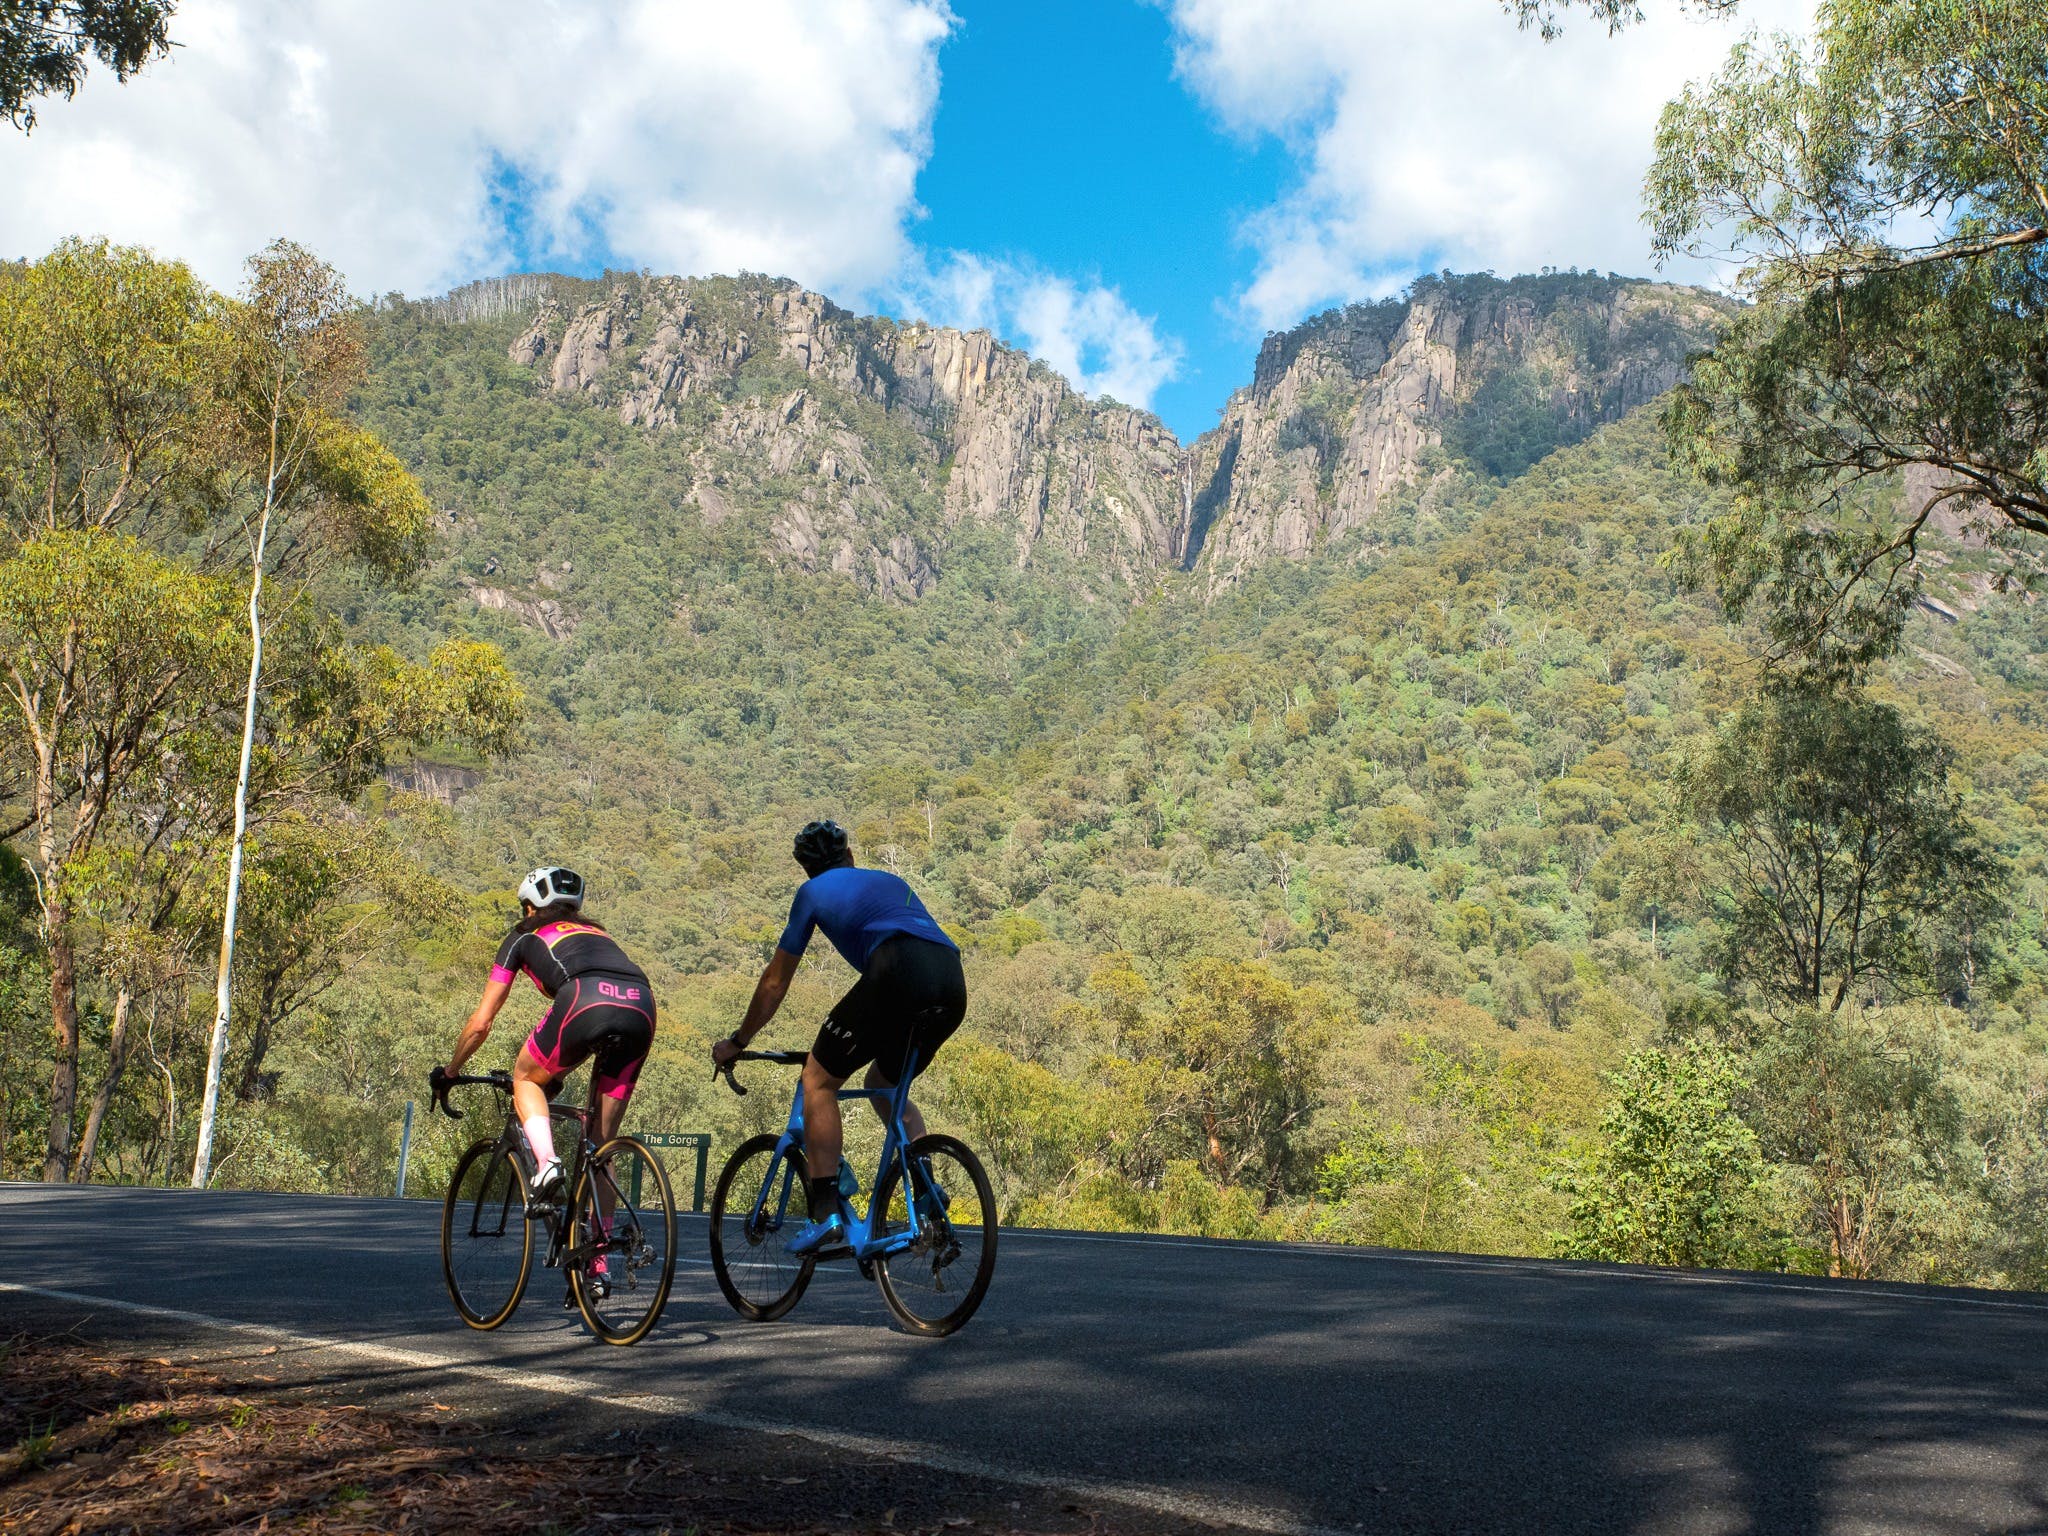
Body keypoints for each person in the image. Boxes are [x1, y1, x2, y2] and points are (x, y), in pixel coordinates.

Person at [712, 820, 966, 1254]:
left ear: (806, 870)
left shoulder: (811, 893)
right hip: (950, 979)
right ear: (849, 857)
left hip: (895, 971)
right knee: (883, 1086)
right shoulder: (890, 879)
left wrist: (739, 1039)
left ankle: (826, 1212)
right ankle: (925, 1192)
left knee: (817, 1080)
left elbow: (775, 982)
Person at [438, 866, 657, 1296]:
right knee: (602, 1145)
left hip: (584, 1000)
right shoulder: (598, 934)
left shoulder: (522, 936)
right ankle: (597, 1265)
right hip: (642, 1005)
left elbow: (481, 1023)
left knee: (525, 1078)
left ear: (528, 907)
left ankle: (547, 1163)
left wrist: (451, 1071)